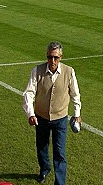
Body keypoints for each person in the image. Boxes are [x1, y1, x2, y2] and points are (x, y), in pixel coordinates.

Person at [23, 41, 82, 185]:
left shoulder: (69, 72)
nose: (52, 61)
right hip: (41, 117)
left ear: (61, 57)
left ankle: (60, 182)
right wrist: (30, 113)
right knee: (42, 147)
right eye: (50, 57)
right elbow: (29, 93)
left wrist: (77, 113)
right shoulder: (37, 71)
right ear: (46, 57)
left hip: (60, 118)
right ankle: (44, 170)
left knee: (60, 152)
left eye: (56, 57)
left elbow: (75, 94)